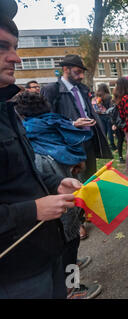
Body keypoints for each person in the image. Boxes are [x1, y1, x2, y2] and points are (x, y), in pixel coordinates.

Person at [0, 1, 81, 298]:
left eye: (16, 47)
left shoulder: (7, 109)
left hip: (44, 256)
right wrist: (33, 210)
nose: (16, 58)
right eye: (2, 47)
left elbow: (19, 174)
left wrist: (53, 183)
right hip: (13, 274)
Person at [14, 92, 102, 299]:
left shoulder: (27, 134)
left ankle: (71, 272)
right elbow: (77, 158)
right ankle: (71, 289)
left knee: (69, 245)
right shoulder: (58, 125)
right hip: (60, 202)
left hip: (56, 197)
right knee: (67, 246)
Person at [41, 54, 112, 182]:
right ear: (66, 69)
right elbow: (46, 119)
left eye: (82, 72)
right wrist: (72, 124)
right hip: (69, 145)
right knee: (74, 181)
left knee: (90, 178)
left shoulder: (83, 89)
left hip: (88, 139)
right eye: (77, 72)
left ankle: (90, 201)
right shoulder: (51, 90)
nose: (81, 76)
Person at [93, 84, 116, 151]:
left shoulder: (96, 96)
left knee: (104, 131)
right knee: (110, 131)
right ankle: (112, 145)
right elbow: (111, 107)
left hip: (99, 115)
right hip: (107, 115)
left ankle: (104, 146)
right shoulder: (108, 96)